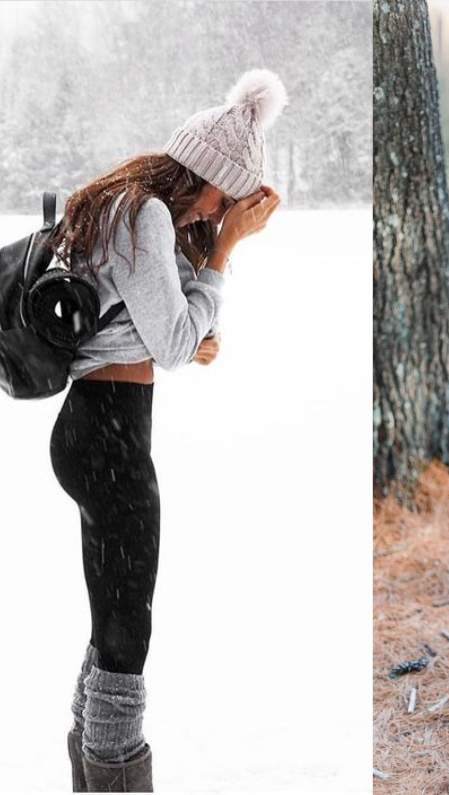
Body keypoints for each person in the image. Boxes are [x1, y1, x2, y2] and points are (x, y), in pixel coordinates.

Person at [48, 69, 285, 791]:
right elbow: (179, 342)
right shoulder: (147, 213)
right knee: (127, 638)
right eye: (224, 199)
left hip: (96, 432)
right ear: (208, 178)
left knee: (110, 621)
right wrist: (225, 252)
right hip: (110, 438)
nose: (219, 214)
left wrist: (186, 322)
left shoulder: (127, 206)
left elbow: (168, 325)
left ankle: (90, 775)